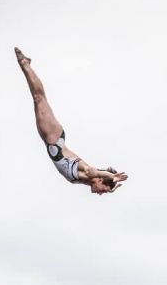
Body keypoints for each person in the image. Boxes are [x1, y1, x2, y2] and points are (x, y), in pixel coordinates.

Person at [15, 48, 128, 194]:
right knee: (39, 98)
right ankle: (25, 64)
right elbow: (93, 172)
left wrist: (111, 185)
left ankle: (26, 65)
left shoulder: (86, 180)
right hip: (54, 137)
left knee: (38, 99)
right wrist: (112, 176)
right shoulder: (89, 173)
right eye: (103, 190)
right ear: (100, 180)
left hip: (51, 141)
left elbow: (98, 173)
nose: (101, 193)